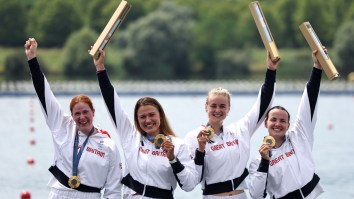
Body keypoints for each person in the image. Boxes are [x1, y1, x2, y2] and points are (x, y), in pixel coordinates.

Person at [93, 48, 199, 199]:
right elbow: (112, 103)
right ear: (137, 120)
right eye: (142, 117)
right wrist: (100, 68)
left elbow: (189, 185)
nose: (148, 120)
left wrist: (173, 159)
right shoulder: (131, 137)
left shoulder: (177, 145)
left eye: (151, 115)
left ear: (160, 116)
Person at [24, 38, 123, 199]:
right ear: (72, 116)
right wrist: (32, 59)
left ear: (93, 112)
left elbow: (114, 189)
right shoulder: (63, 125)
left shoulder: (108, 145)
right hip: (59, 193)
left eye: (85, 112)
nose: (82, 117)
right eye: (77, 114)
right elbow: (44, 94)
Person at [184, 51, 279, 198]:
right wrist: (200, 150)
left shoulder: (240, 129)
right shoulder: (193, 137)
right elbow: (191, 180)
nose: (217, 110)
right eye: (213, 106)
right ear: (206, 107)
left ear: (229, 109)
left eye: (222, 106)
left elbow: (263, 104)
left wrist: (271, 70)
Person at [248, 50, 325, 199]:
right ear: (265, 123)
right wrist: (265, 162)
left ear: (289, 125)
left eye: (283, 121)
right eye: (273, 120)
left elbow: (309, 101)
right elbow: (256, 195)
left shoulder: (299, 136)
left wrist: (317, 67)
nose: (278, 124)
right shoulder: (257, 159)